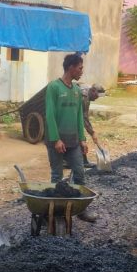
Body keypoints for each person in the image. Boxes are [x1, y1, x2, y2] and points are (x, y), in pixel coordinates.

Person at [45, 53, 96, 222]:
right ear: (71, 67)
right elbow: (50, 115)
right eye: (80, 68)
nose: (82, 71)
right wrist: (56, 139)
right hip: (56, 142)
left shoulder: (76, 90)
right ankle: (55, 212)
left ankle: (80, 210)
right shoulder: (53, 87)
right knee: (57, 176)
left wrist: (82, 139)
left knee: (80, 173)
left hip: (74, 141)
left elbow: (79, 116)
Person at [81, 84, 106, 169]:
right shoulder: (84, 98)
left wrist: (92, 132)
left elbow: (84, 116)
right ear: (93, 91)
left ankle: (83, 161)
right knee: (79, 137)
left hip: (75, 117)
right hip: (67, 117)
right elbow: (84, 118)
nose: (97, 98)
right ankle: (81, 161)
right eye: (96, 95)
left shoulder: (88, 93)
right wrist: (92, 133)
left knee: (80, 137)